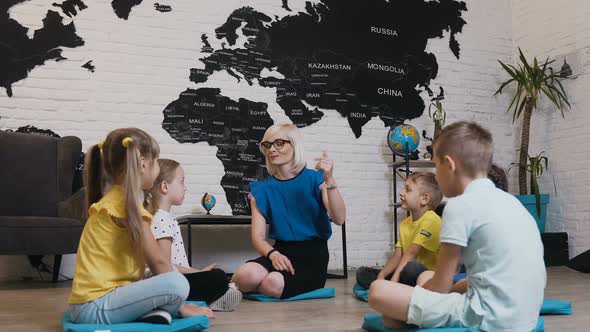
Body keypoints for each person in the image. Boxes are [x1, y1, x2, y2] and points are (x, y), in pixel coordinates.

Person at [368, 121, 546, 331]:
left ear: (449, 165)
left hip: (489, 319)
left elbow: (441, 287)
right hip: (526, 315)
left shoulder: (459, 206)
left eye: (436, 166)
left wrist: (416, 297)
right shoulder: (513, 203)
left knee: (378, 291)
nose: (437, 175)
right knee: (427, 277)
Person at [68, 128, 213, 324]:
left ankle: (148, 313)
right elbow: (159, 263)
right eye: (156, 162)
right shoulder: (128, 207)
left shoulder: (113, 200)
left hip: (90, 305)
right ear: (143, 165)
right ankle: (159, 310)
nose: (157, 170)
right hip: (94, 309)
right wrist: (183, 307)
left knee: (153, 279)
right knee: (177, 283)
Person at [232, 123, 346, 299]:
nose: (272, 150)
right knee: (243, 276)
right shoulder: (261, 190)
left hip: (313, 255)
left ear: (294, 145)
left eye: (279, 143)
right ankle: (257, 284)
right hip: (280, 252)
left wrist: (330, 179)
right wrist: (273, 254)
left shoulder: (317, 179)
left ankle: (264, 285)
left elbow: (339, 218)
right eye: (267, 145)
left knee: (273, 283)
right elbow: (258, 238)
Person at [147, 158, 242, 311]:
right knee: (218, 277)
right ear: (165, 186)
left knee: (216, 277)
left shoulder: (162, 217)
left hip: (174, 278)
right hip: (168, 282)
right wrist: (198, 272)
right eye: (182, 181)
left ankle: (214, 296)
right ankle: (211, 297)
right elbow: (163, 265)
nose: (185, 188)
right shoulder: (161, 219)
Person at [356, 172, 443, 289]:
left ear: (424, 198)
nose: (401, 193)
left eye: (408, 190)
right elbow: (397, 256)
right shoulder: (405, 223)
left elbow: (411, 254)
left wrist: (392, 283)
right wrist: (381, 276)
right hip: (403, 271)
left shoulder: (432, 220)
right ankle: (396, 285)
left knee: (411, 268)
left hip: (424, 275)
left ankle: (395, 287)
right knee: (362, 273)